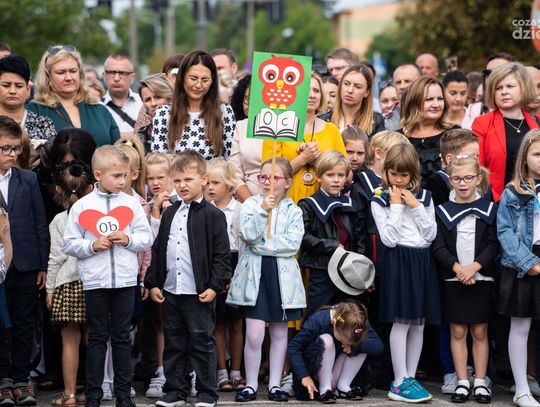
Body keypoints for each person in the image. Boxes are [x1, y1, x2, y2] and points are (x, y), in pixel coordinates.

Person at [63, 145, 153, 407]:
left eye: (125, 175)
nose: (123, 181)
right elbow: (69, 243)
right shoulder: (82, 206)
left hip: (125, 281)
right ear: (98, 175)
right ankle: (94, 395)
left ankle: (124, 395)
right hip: (95, 282)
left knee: (123, 337)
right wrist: (92, 246)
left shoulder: (131, 204)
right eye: (117, 176)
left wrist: (128, 239)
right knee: (97, 337)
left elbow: (146, 237)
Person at [145, 150, 231, 407]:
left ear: (203, 179)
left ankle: (207, 393)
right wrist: (153, 282)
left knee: (202, 342)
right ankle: (175, 391)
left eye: (188, 180)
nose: (182, 185)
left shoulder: (214, 216)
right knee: (174, 342)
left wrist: (215, 286)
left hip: (199, 292)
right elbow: (159, 249)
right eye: (178, 180)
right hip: (172, 290)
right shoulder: (170, 213)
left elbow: (222, 255)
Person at [227, 158, 305, 403]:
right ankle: (250, 384)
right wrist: (263, 210)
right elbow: (248, 235)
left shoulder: (294, 210)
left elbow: (292, 244)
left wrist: (261, 246)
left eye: (274, 177)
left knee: (280, 333)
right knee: (254, 334)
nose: (267, 182)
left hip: (282, 278)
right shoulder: (250, 205)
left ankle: (274, 384)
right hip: (255, 276)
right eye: (263, 177)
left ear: (287, 182)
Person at [371, 142, 439, 403]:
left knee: (418, 324)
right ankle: (399, 381)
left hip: (421, 260)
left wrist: (416, 207)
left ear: (414, 174)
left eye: (404, 175)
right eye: (394, 174)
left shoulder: (426, 197)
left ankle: (410, 376)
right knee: (401, 322)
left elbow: (430, 234)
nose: (399, 180)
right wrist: (397, 206)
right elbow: (388, 239)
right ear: (386, 172)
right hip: (399, 259)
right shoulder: (379, 199)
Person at [432, 155, 498, 404]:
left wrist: (474, 268)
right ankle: (461, 381)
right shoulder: (442, 212)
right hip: (454, 278)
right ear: (450, 180)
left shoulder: (489, 210)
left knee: (480, 330)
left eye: (468, 178)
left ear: (478, 178)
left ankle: (480, 381)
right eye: (457, 178)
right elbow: (438, 247)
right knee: (457, 330)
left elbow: (493, 244)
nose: (463, 183)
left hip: (481, 277)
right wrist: (459, 269)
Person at [0, 116, 49, 407]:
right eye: (5, 148)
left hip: (26, 263)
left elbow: (39, 222)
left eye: (16, 148)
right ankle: (3, 380)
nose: (12, 154)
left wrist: (42, 264)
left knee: (24, 323)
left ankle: (21, 378)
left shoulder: (27, 179)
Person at [497, 129, 540, 407]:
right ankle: (521, 388)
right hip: (524, 262)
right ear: (524, 158)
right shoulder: (513, 192)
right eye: (537, 154)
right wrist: (528, 262)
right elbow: (505, 232)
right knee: (520, 325)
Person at [45, 160, 93, 407]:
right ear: (90, 188)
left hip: (67, 284)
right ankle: (95, 390)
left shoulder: (58, 220)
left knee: (69, 343)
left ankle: (69, 394)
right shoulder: (96, 217)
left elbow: (55, 258)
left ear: (58, 189)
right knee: (94, 340)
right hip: (94, 282)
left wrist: (50, 289)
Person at [298, 150, 367, 316]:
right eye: (330, 175)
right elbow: (303, 237)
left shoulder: (351, 204)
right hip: (322, 269)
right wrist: (332, 245)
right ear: (319, 177)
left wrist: (361, 267)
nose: (336, 180)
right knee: (317, 315)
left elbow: (360, 238)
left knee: (346, 317)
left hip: (348, 270)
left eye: (341, 175)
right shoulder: (308, 205)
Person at [262, 72, 346, 204]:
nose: (312, 95)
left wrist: (318, 160)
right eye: (306, 90)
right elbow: (268, 176)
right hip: (285, 206)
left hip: (325, 207)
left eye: (316, 91)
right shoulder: (277, 129)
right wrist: (302, 159)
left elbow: (346, 175)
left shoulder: (332, 130)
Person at [204, 158, 245, 392]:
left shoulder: (239, 210)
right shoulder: (204, 210)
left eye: (216, 183)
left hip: (236, 264)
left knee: (237, 323)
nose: (210, 187)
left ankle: (236, 371)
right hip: (213, 266)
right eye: (207, 182)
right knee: (217, 323)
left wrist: (234, 276)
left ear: (229, 186)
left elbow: (244, 245)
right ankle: (221, 372)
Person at [288, 301, 383, 402]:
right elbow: (294, 346)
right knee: (327, 340)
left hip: (337, 373)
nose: (345, 344)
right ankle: (325, 389)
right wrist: (304, 376)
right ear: (334, 323)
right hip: (315, 376)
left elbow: (379, 346)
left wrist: (355, 347)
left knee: (361, 345)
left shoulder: (358, 320)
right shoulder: (318, 320)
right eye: (342, 340)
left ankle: (343, 386)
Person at [150, 50, 236, 160]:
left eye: (205, 80)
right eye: (193, 79)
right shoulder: (163, 114)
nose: (198, 85)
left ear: (212, 81)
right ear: (182, 77)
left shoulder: (224, 111)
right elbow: (158, 161)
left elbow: (231, 158)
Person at [473, 62, 539, 202]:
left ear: (523, 88)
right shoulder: (482, 124)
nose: (504, 92)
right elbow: (477, 168)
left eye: (510, 86)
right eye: (498, 88)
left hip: (535, 202)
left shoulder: (538, 122)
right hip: (498, 202)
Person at [27, 45, 119, 146]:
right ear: (48, 77)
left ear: (80, 74)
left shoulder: (100, 110)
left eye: (73, 71)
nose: (69, 78)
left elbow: (118, 150)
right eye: (61, 72)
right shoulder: (34, 111)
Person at [399, 76, 456, 184]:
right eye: (429, 99)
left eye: (440, 99)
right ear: (414, 102)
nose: (436, 104)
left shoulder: (454, 134)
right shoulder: (398, 137)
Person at [0, 55, 56, 141]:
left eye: (19, 86)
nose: (12, 91)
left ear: (28, 90)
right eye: (6, 85)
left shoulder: (43, 124)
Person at [229, 74, 266, 202]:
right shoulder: (241, 126)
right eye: (246, 99)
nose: (250, 104)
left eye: (256, 98)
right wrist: (252, 206)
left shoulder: (286, 127)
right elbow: (234, 174)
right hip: (247, 203)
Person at [425, 128, 480, 205]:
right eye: (471, 157)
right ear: (450, 159)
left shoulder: (478, 178)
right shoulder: (436, 183)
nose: (476, 161)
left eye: (477, 156)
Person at [462, 52, 516, 130]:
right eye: (488, 73)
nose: (493, 77)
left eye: (499, 72)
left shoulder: (525, 111)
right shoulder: (474, 109)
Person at [330, 64, 385, 137]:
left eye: (357, 87)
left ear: (367, 92)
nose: (350, 90)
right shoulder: (326, 119)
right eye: (346, 84)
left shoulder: (376, 121)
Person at [102, 53, 142, 138]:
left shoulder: (143, 103)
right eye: (111, 72)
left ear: (132, 78)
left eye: (122, 73)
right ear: (104, 76)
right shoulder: (96, 107)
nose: (116, 78)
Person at [133, 73, 173, 152]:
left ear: (169, 98)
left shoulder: (184, 126)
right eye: (148, 100)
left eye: (158, 97)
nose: (153, 103)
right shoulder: (141, 135)